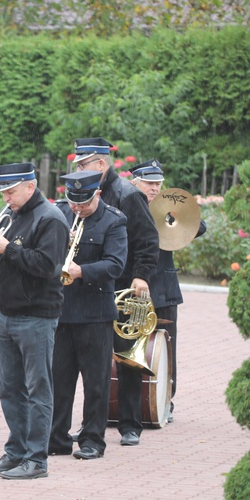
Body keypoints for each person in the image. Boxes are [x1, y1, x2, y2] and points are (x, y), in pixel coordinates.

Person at [0, 162, 68, 480]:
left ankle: (37, 459)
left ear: (30, 186)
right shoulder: (13, 215)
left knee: (37, 389)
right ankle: (15, 452)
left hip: (36, 317)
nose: (6, 198)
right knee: (9, 389)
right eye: (3, 191)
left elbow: (46, 266)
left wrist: (8, 248)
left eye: (11, 191)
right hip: (6, 315)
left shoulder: (51, 218)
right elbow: (8, 260)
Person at [72, 138, 159, 446]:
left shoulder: (129, 194)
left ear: (101, 164)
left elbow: (148, 241)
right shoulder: (82, 192)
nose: (78, 171)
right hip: (88, 287)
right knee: (90, 362)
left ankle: (130, 423)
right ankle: (88, 424)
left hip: (122, 285)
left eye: (83, 165)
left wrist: (141, 277)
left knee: (127, 357)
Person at [48, 171, 127, 461]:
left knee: (96, 382)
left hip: (95, 314)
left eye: (84, 203)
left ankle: (93, 440)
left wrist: (82, 271)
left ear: (97, 194)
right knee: (59, 380)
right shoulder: (59, 213)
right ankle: (56, 438)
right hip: (61, 311)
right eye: (73, 202)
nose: (77, 208)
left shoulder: (114, 220)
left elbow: (116, 264)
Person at [130, 159, 206, 423]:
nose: (154, 188)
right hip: (133, 288)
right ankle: (130, 402)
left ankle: (165, 400)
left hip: (163, 288)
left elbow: (201, 226)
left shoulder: (168, 208)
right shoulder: (128, 204)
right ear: (134, 183)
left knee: (166, 347)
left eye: (158, 183)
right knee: (131, 346)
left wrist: (174, 215)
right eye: (149, 183)